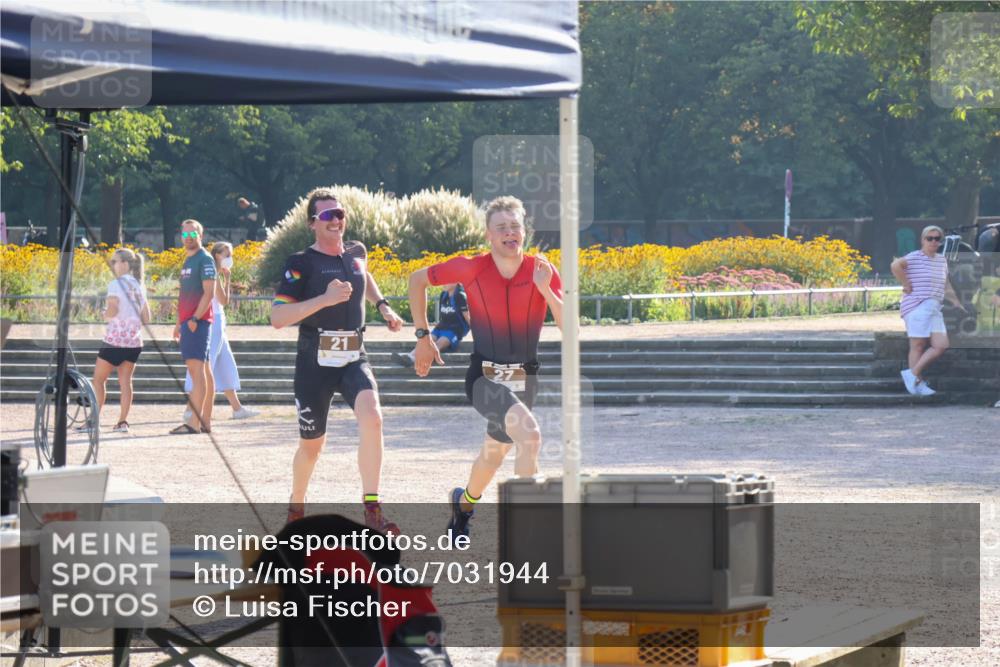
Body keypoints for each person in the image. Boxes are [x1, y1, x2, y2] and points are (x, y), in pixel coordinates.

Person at [407, 196, 562, 538]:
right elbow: (417, 280)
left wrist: (545, 290)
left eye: (515, 226)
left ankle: (463, 506)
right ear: (489, 235)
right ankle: (529, 529)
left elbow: (571, 328)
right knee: (532, 436)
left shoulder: (542, 270)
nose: (510, 233)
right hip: (484, 377)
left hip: (525, 378)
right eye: (501, 228)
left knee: (493, 456)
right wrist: (422, 336)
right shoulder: (471, 267)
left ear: (525, 231)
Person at [270, 189, 404, 531]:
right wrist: (325, 299)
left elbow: (364, 276)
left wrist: (383, 304)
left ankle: (372, 511)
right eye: (328, 215)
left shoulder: (357, 252)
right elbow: (279, 317)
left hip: (354, 355)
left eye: (340, 213)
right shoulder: (300, 263)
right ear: (313, 223)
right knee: (312, 448)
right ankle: (296, 508)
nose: (336, 220)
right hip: (314, 361)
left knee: (373, 417)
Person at [183, 242, 259, 422]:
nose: (229, 258)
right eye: (227, 254)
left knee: (225, 364)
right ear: (217, 255)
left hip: (218, 320)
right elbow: (223, 300)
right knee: (205, 365)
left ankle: (237, 408)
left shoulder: (213, 272)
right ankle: (190, 409)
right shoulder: (212, 272)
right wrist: (228, 279)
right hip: (214, 320)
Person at [890, 224, 968, 397]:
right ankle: (917, 383)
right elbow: (895, 265)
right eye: (929, 238)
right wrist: (906, 284)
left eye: (937, 238)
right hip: (917, 305)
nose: (933, 241)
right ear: (923, 240)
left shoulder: (941, 260)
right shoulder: (914, 257)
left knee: (941, 345)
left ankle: (912, 374)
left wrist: (956, 303)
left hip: (935, 307)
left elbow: (946, 284)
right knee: (917, 345)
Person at [90, 248, 151, 433]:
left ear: (125, 263)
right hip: (134, 341)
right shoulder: (140, 285)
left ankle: (94, 422)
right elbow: (146, 317)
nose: (113, 265)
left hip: (115, 339)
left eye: (114, 261)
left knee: (98, 381)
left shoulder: (116, 284)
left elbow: (112, 310)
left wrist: (103, 314)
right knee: (126, 382)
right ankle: (122, 421)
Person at [171, 219, 217, 434]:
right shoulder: (188, 259)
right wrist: (179, 323)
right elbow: (185, 295)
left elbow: (209, 293)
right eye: (185, 235)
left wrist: (194, 319)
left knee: (196, 373)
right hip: (189, 323)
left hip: (197, 324)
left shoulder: (204, 259)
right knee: (204, 372)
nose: (188, 239)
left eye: (193, 235)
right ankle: (205, 421)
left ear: (201, 235)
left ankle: (193, 424)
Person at [392, 283, 470, 367]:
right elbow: (442, 315)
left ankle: (414, 360)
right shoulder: (443, 294)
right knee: (425, 341)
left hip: (454, 331)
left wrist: (479, 334)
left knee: (438, 344)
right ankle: (409, 356)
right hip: (440, 328)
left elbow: (468, 317)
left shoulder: (461, 296)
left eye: (447, 281)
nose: (443, 283)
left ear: (456, 282)